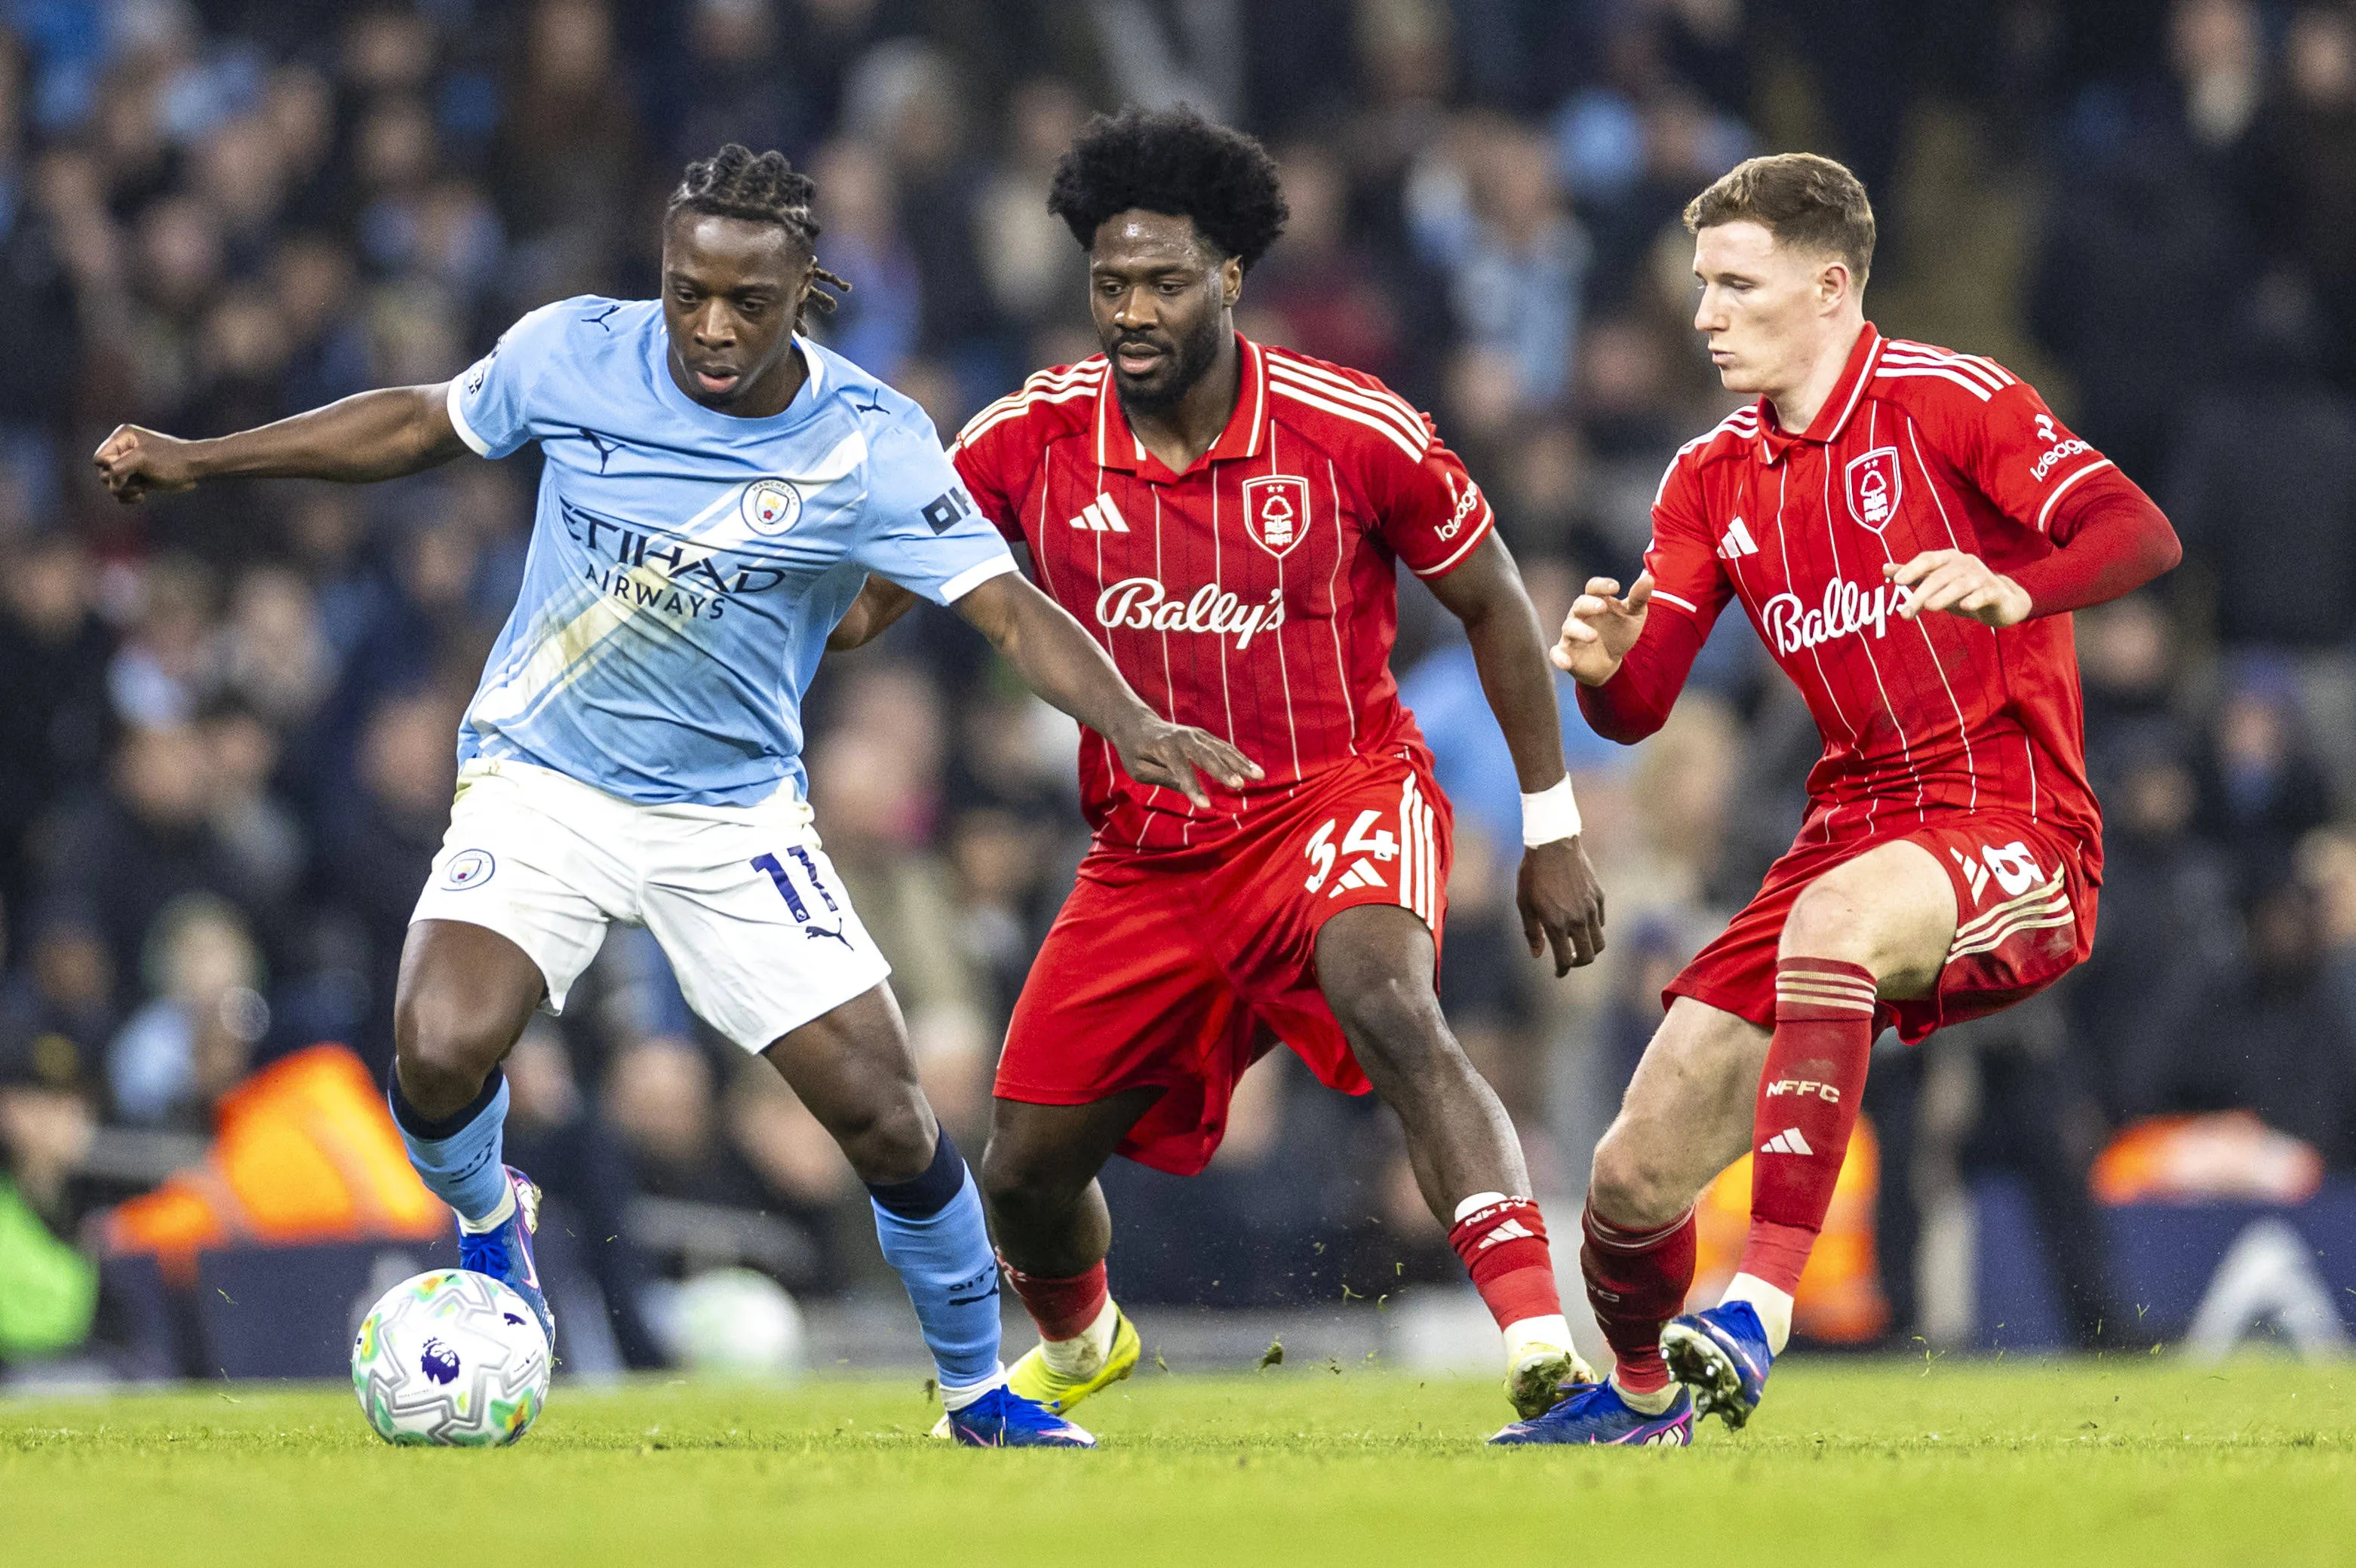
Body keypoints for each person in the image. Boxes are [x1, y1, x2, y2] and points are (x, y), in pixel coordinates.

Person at [92, 143, 1254, 1448]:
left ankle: (979, 1398)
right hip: (542, 778)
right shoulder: (572, 350)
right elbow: (419, 419)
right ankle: (492, 1224)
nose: (707, 325)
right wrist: (200, 460)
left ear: (805, 287)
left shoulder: (869, 442)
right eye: (685, 290)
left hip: (732, 818)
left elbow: (1003, 609)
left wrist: (1129, 719)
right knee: (431, 1047)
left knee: (887, 1116)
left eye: (745, 303)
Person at [831, 107, 1609, 1431]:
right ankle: (1081, 1346)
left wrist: (1549, 827)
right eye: (1109, 283)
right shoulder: (1027, 436)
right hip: (1149, 852)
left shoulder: (1351, 427)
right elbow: (868, 607)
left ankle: (1544, 1348)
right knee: (1023, 1169)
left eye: (1163, 281)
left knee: (1389, 999)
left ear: (1230, 278)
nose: (1131, 310)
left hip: (1335, 798)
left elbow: (1491, 603)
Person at [1529, 153, 2179, 1442]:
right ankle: (1641, 1401)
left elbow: (2138, 531)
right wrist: (1603, 677)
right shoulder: (1706, 476)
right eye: (1699, 286)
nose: (1704, 313)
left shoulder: (1953, 403)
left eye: (1733, 284)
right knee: (1630, 1171)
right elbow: (1643, 702)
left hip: (2013, 824)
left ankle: (1757, 1308)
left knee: (1839, 918)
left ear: (1828, 289)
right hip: (1850, 830)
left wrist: (2019, 587)